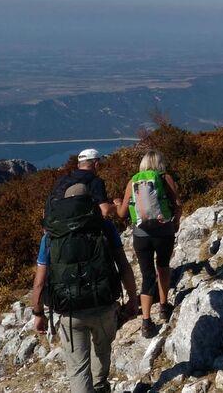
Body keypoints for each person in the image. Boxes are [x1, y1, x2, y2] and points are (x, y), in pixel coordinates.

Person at [32, 148, 139, 393]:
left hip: (69, 310)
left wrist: (38, 312)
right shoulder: (104, 227)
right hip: (103, 303)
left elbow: (39, 281)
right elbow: (123, 266)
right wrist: (133, 299)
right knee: (102, 351)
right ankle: (100, 387)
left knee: (78, 369)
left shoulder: (51, 236)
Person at [115, 150, 182, 338]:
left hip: (141, 236)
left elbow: (121, 213)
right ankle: (163, 307)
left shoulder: (133, 182)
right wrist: (175, 222)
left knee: (147, 275)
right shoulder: (165, 178)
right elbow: (178, 203)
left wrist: (118, 203)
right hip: (164, 232)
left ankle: (146, 321)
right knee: (163, 267)